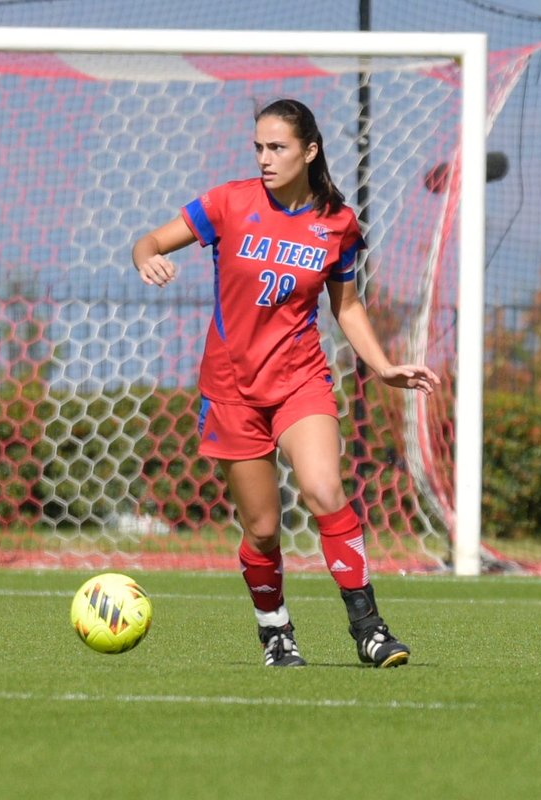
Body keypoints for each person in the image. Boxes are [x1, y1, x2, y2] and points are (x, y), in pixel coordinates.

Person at [130, 98, 440, 668]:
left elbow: (347, 307)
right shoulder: (227, 202)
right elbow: (148, 241)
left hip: (301, 381)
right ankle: (276, 633)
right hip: (231, 391)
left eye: (278, 148)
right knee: (265, 530)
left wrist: (383, 366)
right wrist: (144, 258)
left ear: (310, 151)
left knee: (325, 491)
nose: (265, 159)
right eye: (259, 148)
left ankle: (369, 629)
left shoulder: (338, 223)